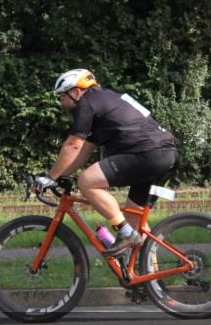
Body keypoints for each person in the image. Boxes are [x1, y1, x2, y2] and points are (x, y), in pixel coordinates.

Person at [31, 69, 178, 258]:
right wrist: (62, 175)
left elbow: (74, 145)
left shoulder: (86, 103)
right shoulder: (106, 100)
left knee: (87, 181)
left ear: (76, 92)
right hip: (165, 154)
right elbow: (85, 149)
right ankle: (150, 283)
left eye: (62, 96)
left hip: (147, 153)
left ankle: (124, 233)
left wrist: (50, 178)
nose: (61, 103)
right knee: (136, 224)